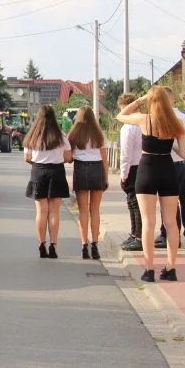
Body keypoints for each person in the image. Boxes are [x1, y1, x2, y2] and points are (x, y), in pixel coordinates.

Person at [116, 86, 185, 283]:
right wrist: (170, 142)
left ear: (151, 101)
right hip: (167, 168)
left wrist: (139, 100)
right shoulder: (176, 124)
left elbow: (121, 116)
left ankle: (149, 270)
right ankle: (170, 267)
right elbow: (184, 154)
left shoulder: (144, 119)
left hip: (147, 169)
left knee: (149, 222)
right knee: (171, 222)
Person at [23, 105, 73, 259]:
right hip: (56, 172)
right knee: (54, 212)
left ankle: (41, 245)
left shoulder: (32, 136)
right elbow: (68, 157)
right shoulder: (61, 137)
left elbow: (27, 158)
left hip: (38, 172)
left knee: (41, 212)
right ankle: (53, 246)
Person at [67, 106, 108, 260]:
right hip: (97, 169)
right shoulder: (99, 134)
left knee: (83, 210)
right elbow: (104, 158)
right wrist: (106, 177)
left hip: (81, 169)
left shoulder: (74, 134)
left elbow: (70, 158)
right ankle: (95, 245)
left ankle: (84, 245)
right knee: (95, 210)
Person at [156, 86, 185, 247]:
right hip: (183, 163)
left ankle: (170, 235)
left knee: (168, 202)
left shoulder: (161, 119)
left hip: (167, 163)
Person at [117, 93, 143, 252]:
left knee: (134, 203)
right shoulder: (146, 121)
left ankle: (137, 236)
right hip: (146, 164)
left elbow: (125, 154)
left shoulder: (129, 127)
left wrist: (123, 174)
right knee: (135, 202)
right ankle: (134, 234)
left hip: (133, 167)